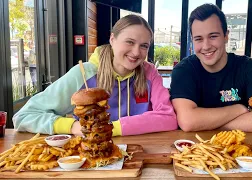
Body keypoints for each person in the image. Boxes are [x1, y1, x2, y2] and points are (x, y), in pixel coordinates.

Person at [13, 14, 178, 136]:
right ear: (112, 39)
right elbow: (24, 116)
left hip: (140, 155)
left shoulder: (150, 73)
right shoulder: (84, 73)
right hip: (90, 157)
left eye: (144, 46)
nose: (136, 52)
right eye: (129, 42)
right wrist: (72, 127)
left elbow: (169, 118)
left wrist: (110, 129)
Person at [170, 4, 252, 133]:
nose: (206, 46)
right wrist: (239, 109)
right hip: (195, 149)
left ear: (226, 36)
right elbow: (188, 122)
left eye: (213, 36)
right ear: (192, 41)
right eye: (198, 39)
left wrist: (205, 123)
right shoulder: (184, 71)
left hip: (243, 149)